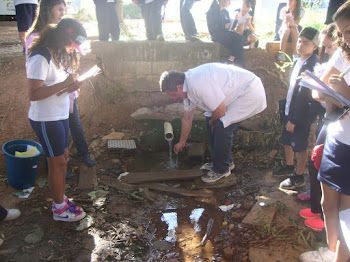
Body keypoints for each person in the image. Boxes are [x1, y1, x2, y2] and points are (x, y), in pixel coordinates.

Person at [300, 2, 350, 261]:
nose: (344, 39)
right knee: (326, 204)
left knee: (346, 214)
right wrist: (329, 93)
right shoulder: (344, 52)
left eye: (349, 31)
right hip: (336, 138)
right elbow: (317, 89)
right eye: (341, 33)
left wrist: (347, 94)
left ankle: (340, 256)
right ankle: (331, 253)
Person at [159, 63, 266, 183]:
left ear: (179, 87)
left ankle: (221, 169)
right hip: (234, 95)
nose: (174, 98)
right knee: (211, 119)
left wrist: (213, 122)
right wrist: (182, 142)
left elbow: (220, 110)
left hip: (249, 92)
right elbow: (187, 118)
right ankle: (225, 161)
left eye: (173, 94)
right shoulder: (187, 90)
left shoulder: (197, 84)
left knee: (222, 125)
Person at [26, 18, 87, 222]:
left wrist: (70, 86)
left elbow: (57, 88)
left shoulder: (58, 55)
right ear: (62, 38)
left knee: (63, 158)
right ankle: (59, 209)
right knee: (58, 163)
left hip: (60, 115)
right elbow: (34, 94)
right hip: (46, 118)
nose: (73, 50)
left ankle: (60, 199)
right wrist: (65, 83)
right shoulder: (40, 57)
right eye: (72, 45)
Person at [25, 0, 97, 167]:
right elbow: (35, 89)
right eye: (59, 9)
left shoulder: (60, 46)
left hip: (63, 102)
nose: (62, 13)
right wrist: (65, 84)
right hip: (48, 113)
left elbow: (63, 73)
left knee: (70, 138)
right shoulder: (41, 52)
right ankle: (55, 170)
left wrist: (71, 85)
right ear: (48, 10)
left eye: (65, 9)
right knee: (56, 157)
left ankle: (74, 160)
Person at [299, 23, 339, 233]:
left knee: (327, 167)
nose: (327, 52)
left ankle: (325, 219)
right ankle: (316, 208)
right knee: (316, 161)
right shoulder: (332, 62)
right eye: (325, 47)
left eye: (330, 47)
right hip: (330, 118)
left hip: (339, 122)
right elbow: (321, 96)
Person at [273, 27, 321, 190]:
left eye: (306, 43)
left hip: (301, 115)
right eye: (299, 41)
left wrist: (294, 119)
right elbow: (293, 90)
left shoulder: (313, 65)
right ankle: (288, 166)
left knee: (299, 145)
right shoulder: (297, 61)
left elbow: (304, 96)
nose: (300, 45)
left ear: (315, 46)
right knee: (287, 140)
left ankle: (299, 176)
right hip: (290, 110)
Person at [206, 0, 245, 68]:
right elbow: (212, 28)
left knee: (239, 43)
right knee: (239, 40)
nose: (229, 2)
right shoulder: (213, 11)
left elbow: (229, 27)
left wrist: (235, 21)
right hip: (216, 34)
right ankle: (235, 63)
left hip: (225, 33)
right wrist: (223, 26)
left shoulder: (225, 12)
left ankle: (234, 63)